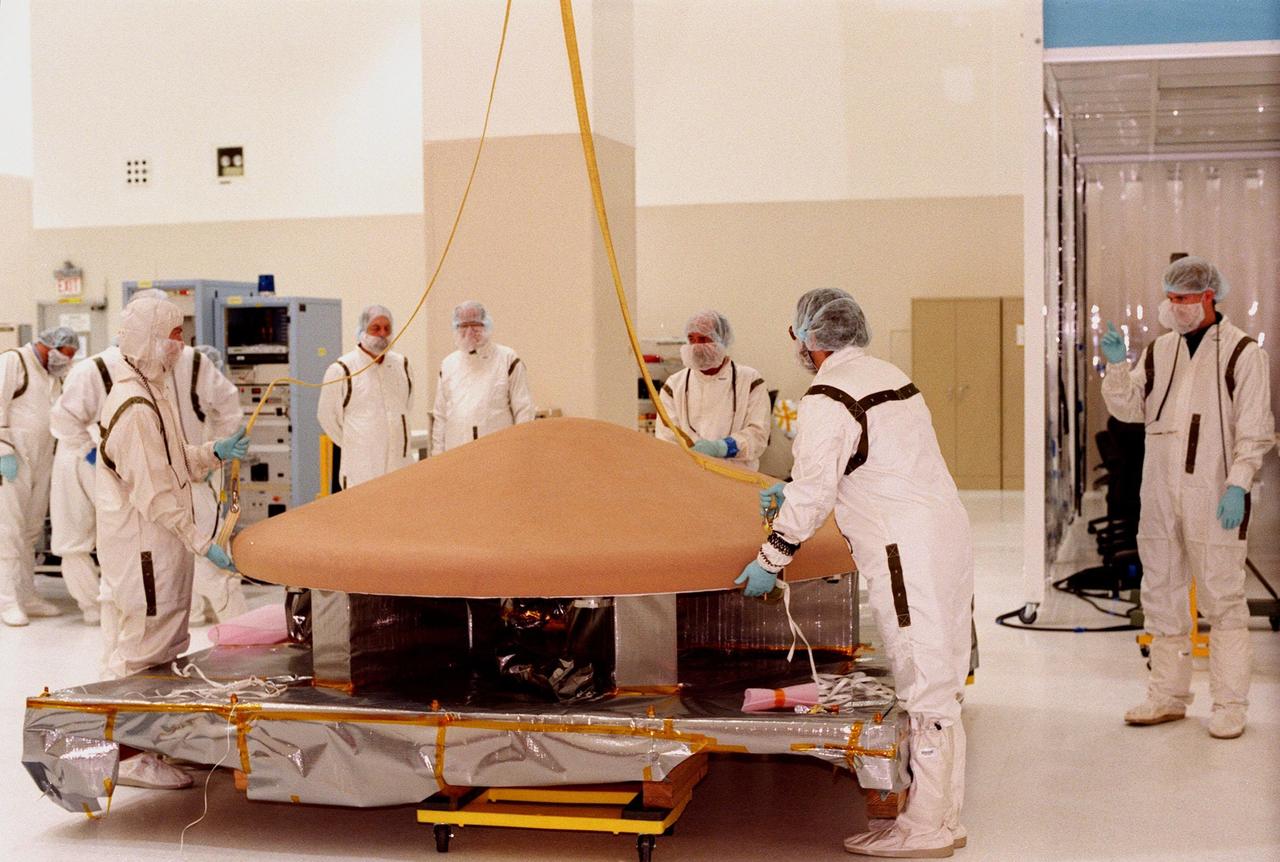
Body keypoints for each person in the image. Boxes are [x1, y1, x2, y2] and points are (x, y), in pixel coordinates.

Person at [735, 288, 973, 858]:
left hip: (904, 551)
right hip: (940, 534)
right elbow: (877, 464)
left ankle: (928, 829)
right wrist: (795, 487)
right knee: (938, 677)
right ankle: (939, 815)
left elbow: (816, 493)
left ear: (808, 338)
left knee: (925, 684)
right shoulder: (889, 375)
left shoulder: (826, 397)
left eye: (796, 334)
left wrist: (772, 557)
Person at [1101, 256, 1274, 740]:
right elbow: (1129, 408)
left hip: (1215, 493)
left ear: (1208, 297)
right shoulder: (1159, 350)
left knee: (1223, 600)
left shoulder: (1243, 354)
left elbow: (1255, 430)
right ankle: (1167, 696)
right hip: (1159, 492)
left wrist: (1239, 483)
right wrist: (1117, 365)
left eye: (1183, 299)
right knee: (1161, 596)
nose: (1174, 307)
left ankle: (1230, 704)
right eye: (1170, 298)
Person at [96, 290, 248, 683]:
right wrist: (202, 544)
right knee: (142, 651)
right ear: (151, 339)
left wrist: (214, 452)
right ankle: (114, 732)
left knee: (164, 647)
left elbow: (172, 459)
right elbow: (156, 496)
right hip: (145, 549)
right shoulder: (134, 406)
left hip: (162, 547)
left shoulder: (152, 389)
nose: (182, 344)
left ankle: (147, 736)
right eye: (175, 334)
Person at [0, 327, 79, 626]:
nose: (66, 362)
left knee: (31, 531)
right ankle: (7, 600)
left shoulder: (51, 376)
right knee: (8, 530)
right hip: (10, 458)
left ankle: (27, 594)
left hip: (42, 459)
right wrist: (2, 449)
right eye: (65, 355)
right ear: (50, 346)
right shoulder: (14, 362)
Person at [49, 343, 127, 624]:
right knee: (76, 538)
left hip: (106, 454)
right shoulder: (92, 368)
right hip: (80, 456)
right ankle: (94, 607)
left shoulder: (141, 366)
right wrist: (89, 450)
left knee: (116, 532)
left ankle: (109, 605)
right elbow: (64, 419)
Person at [171, 344, 247, 624]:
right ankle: (234, 622)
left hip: (200, 477)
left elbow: (229, 419)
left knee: (200, 551)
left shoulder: (194, 377)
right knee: (202, 555)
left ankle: (225, 620)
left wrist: (209, 460)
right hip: (189, 482)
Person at [655, 310, 771, 472]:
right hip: (689, 476)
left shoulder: (749, 380)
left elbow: (758, 435)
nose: (696, 347)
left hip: (737, 477)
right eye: (691, 339)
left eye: (703, 339)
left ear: (721, 340)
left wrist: (722, 447)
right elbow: (666, 438)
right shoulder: (674, 385)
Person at [318, 304, 414, 489]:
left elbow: (406, 406)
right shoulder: (342, 369)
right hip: (361, 468)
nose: (382, 334)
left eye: (387, 328)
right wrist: (359, 443)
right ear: (362, 331)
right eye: (375, 328)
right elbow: (327, 418)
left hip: (399, 465)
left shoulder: (402, 365)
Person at [431, 300, 534, 455]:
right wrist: (437, 457)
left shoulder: (507, 359)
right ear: (455, 328)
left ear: (486, 324)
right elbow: (440, 417)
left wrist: (520, 452)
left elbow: (524, 411)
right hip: (456, 456)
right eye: (463, 326)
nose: (470, 331)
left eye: (475, 324)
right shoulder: (448, 365)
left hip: (498, 454)